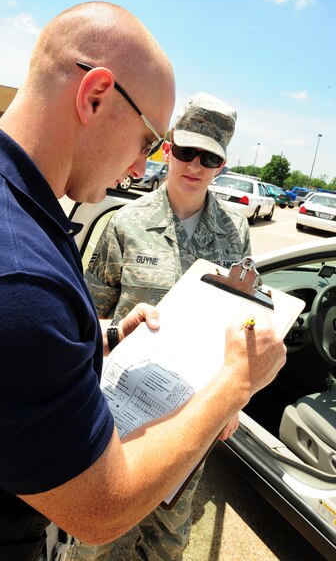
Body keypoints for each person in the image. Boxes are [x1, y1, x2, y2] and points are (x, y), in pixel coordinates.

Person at [0, 1, 286, 561]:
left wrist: (103, 337)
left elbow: (35, 353)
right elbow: (99, 509)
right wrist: (234, 386)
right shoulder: (26, 276)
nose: (141, 167)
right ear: (95, 95)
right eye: (152, 141)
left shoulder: (30, 215)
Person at [71, 92, 251, 561]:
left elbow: (241, 322)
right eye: (186, 151)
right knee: (95, 533)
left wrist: (233, 400)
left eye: (208, 157)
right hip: (122, 403)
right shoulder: (125, 222)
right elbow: (90, 320)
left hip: (194, 406)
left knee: (170, 533)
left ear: (221, 166)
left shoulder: (236, 231)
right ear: (167, 149)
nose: (194, 164)